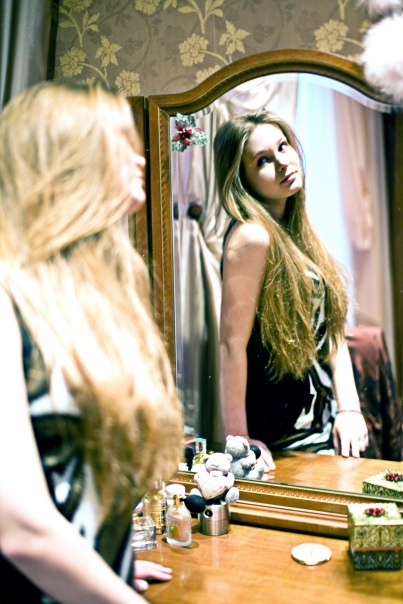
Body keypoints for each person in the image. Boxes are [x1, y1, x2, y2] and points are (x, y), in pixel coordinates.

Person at [0, 81, 183, 603]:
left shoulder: (87, 304)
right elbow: (20, 528)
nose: (140, 157)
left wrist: (103, 563)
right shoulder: (5, 297)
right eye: (120, 139)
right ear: (66, 157)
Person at [214, 110, 369, 473]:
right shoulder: (253, 236)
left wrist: (349, 409)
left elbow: (330, 331)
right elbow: (231, 344)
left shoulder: (296, 230)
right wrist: (239, 439)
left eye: (283, 146)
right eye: (263, 160)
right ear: (243, 180)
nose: (283, 161)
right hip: (286, 440)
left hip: (326, 426)